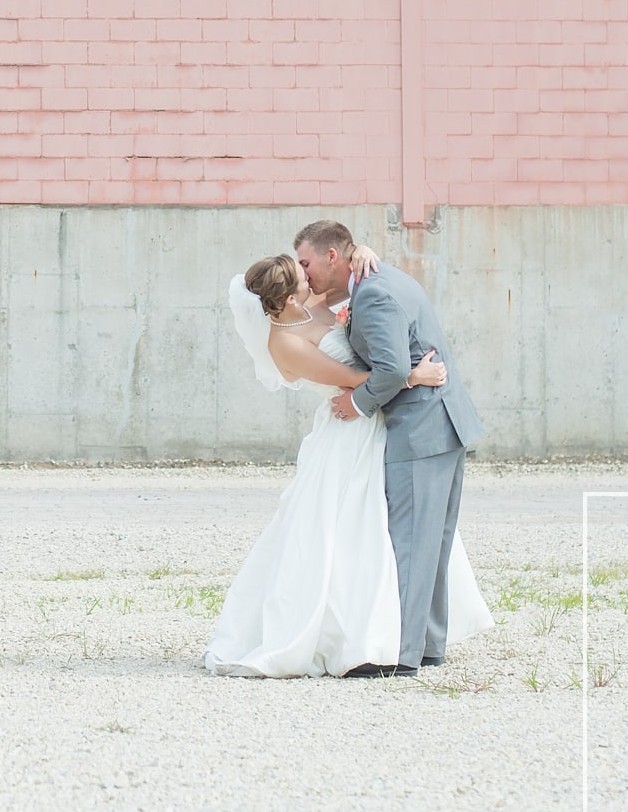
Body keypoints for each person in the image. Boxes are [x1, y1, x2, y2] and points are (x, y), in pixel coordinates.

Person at [204, 248, 491, 678]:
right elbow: (353, 378)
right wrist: (413, 376)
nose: (307, 273)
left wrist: (365, 252)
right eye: (300, 272)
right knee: (351, 535)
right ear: (283, 296)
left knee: (390, 532)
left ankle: (404, 633)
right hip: (348, 429)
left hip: (374, 424)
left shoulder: (310, 307)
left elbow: (347, 287)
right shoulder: (283, 342)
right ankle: (354, 636)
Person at [298, 219, 488, 674]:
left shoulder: (375, 294)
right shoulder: (378, 277)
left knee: (409, 542)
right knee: (432, 543)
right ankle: (427, 645)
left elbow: (389, 369)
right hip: (443, 423)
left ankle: (401, 656)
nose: (305, 275)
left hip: (420, 428)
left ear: (332, 256)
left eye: (307, 263)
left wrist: (355, 403)